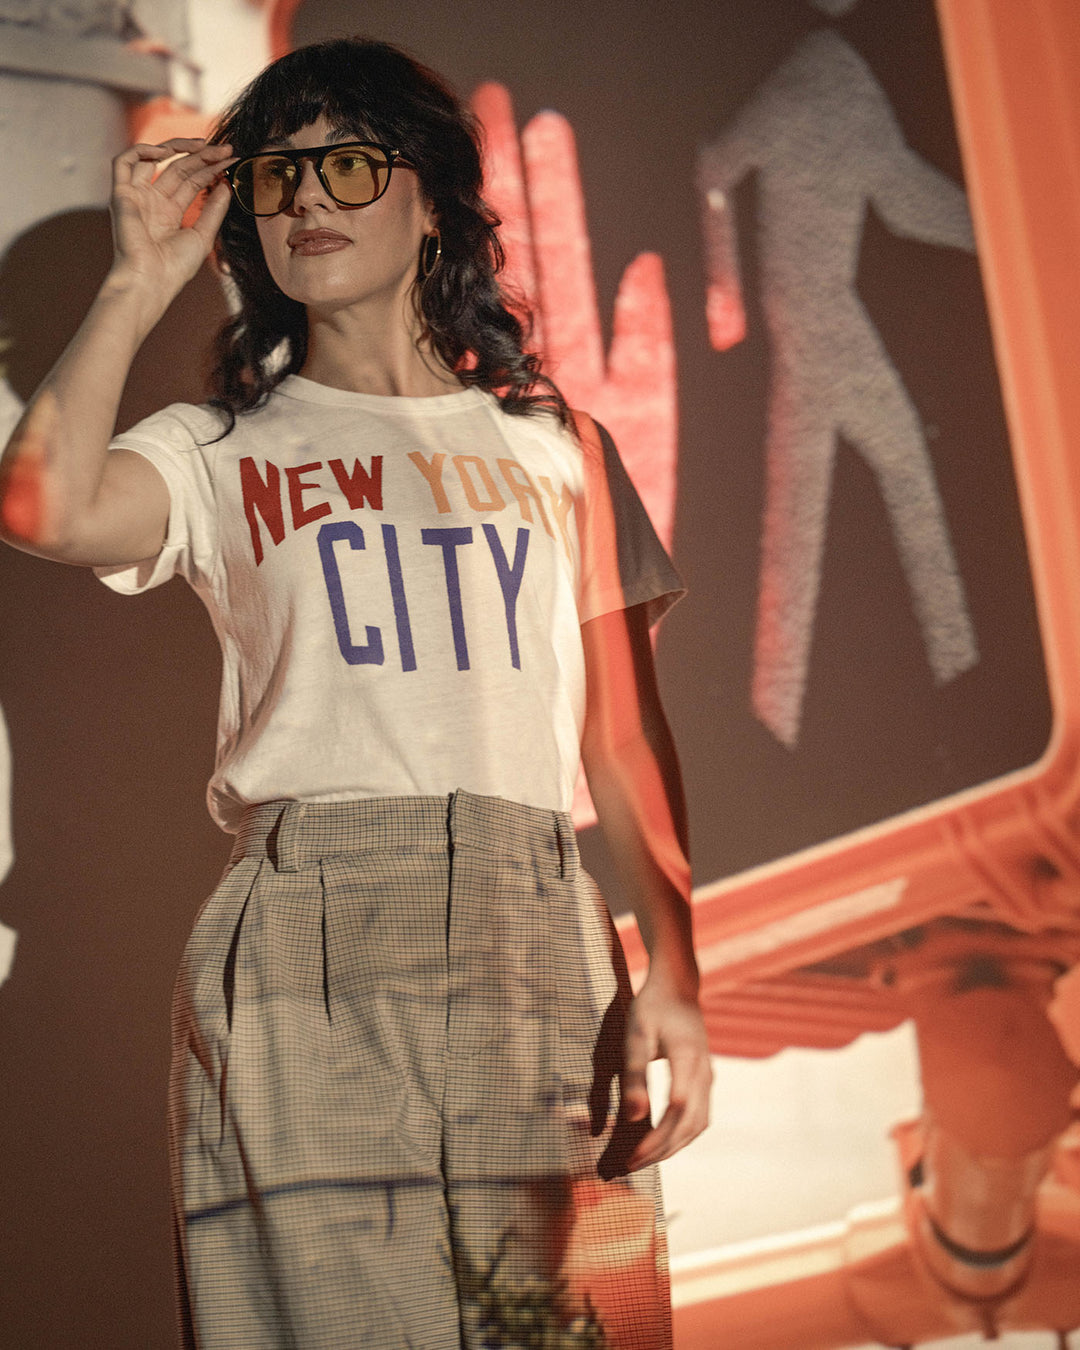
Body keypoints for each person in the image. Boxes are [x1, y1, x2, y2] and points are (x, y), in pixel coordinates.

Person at [0, 37, 711, 1349]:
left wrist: (677, 968)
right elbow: (42, 505)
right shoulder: (219, 446)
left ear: (430, 197)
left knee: (557, 1330)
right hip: (306, 929)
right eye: (278, 176)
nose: (309, 200)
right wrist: (139, 278)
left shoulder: (556, 446)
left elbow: (623, 732)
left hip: (531, 922)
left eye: (348, 165)